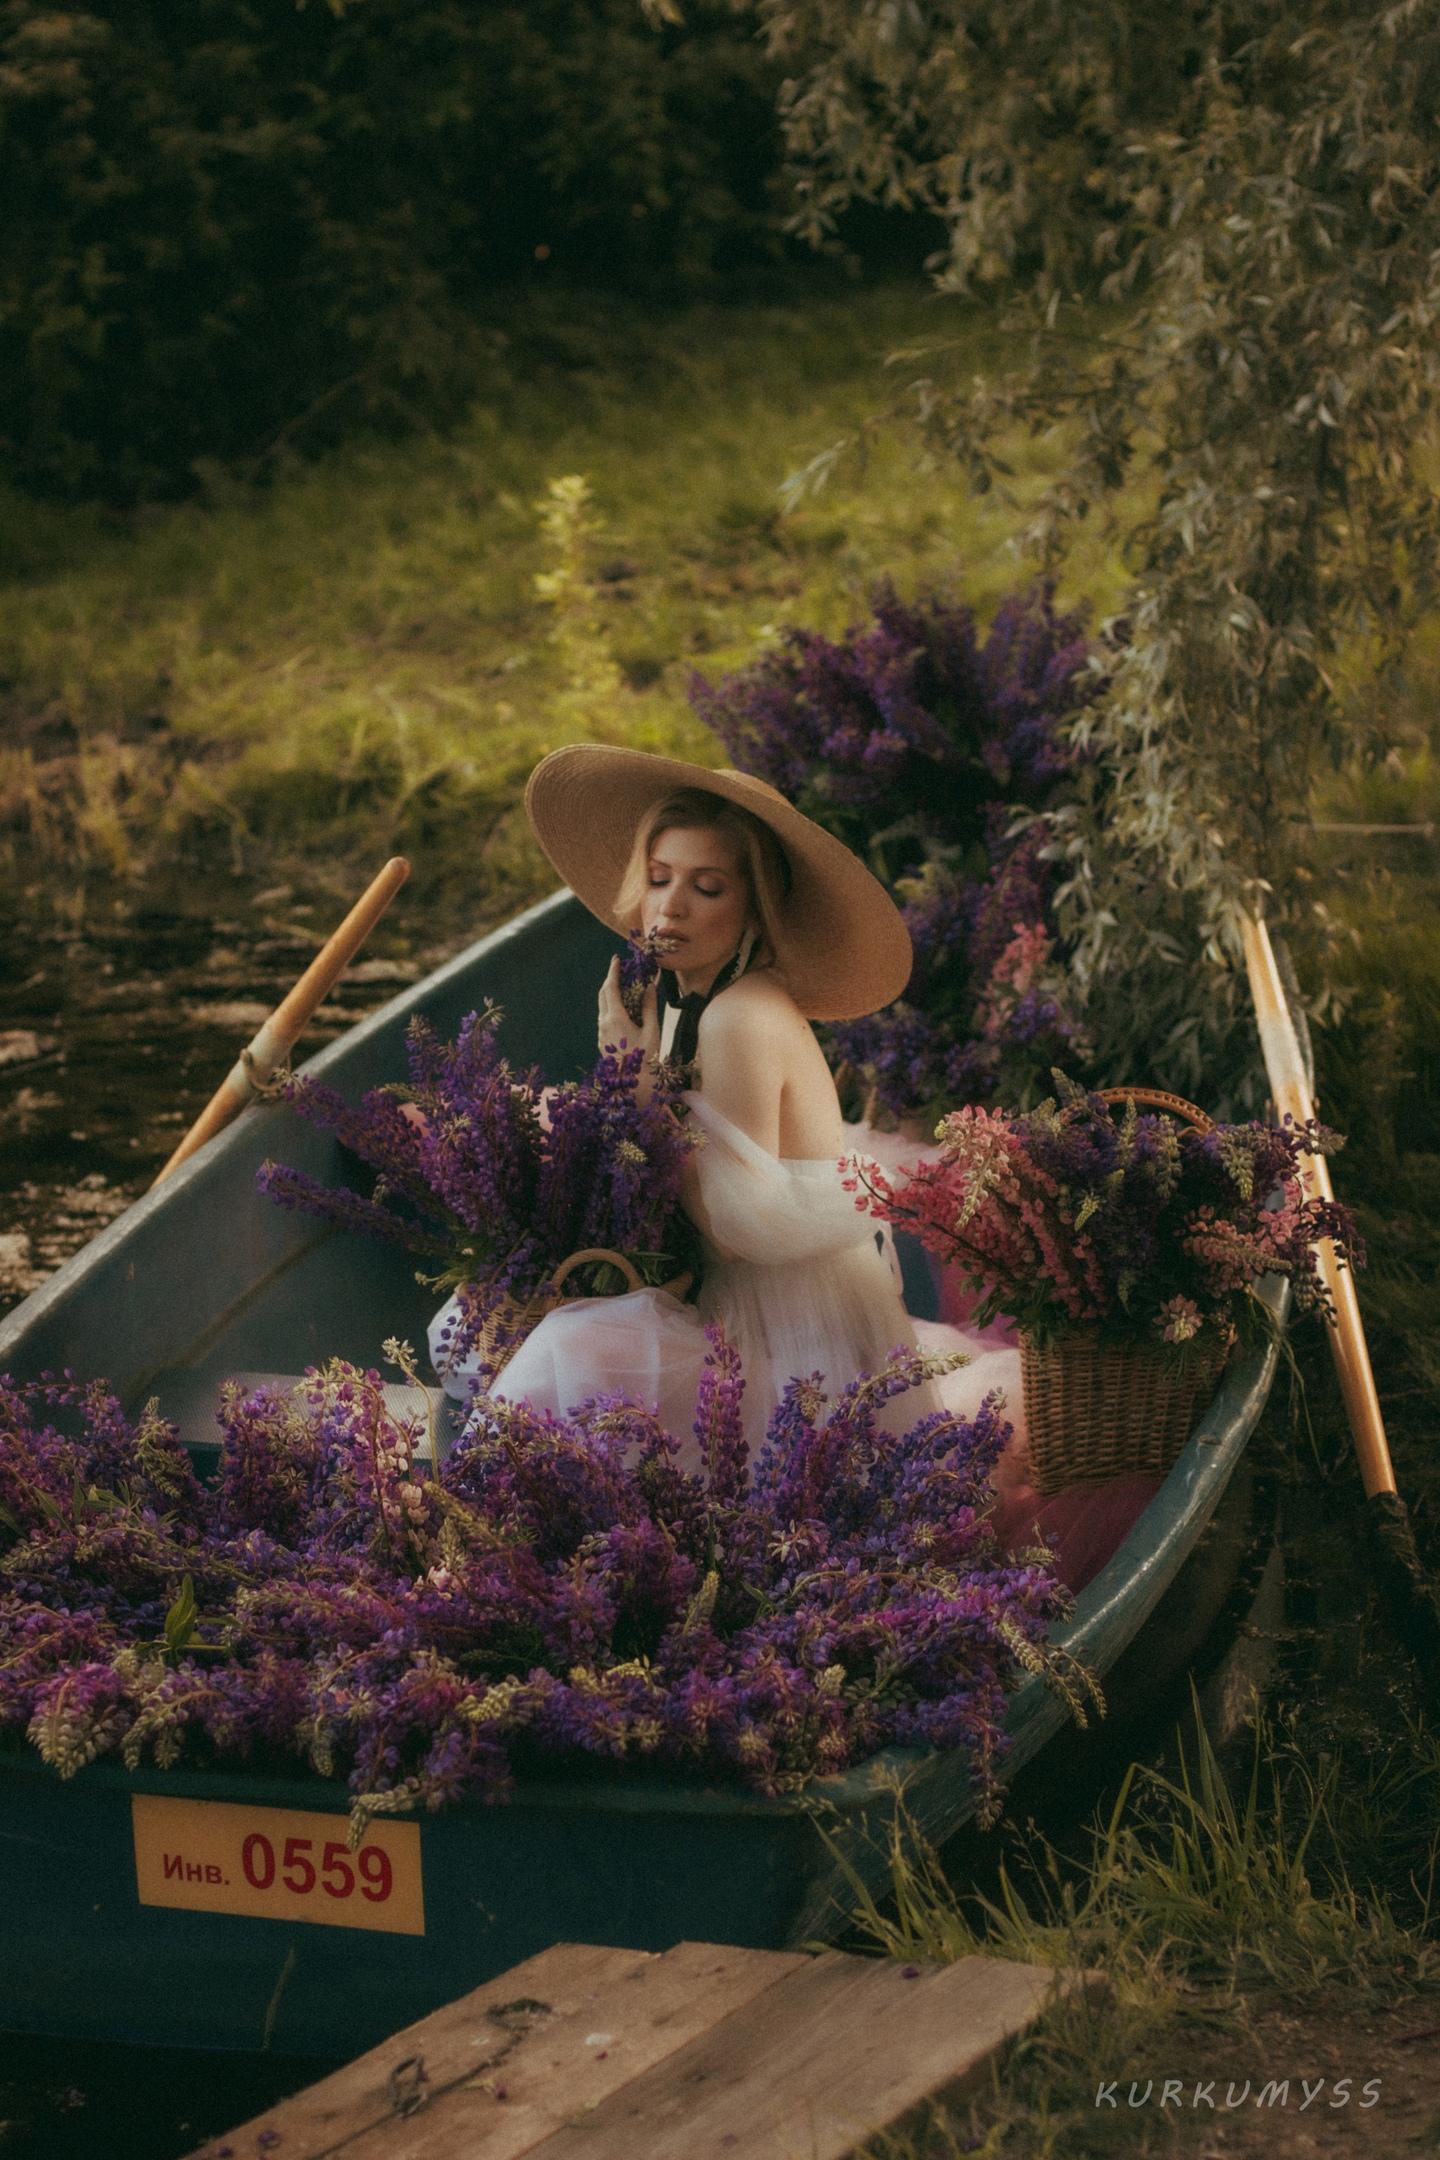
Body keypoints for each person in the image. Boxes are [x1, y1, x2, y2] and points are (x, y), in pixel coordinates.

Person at [429, 744, 1156, 1589]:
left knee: (570, 1350)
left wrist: (637, 1084)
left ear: (754, 909)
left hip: (790, 1334)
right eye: (660, 878)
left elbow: (738, 1229)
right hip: (739, 1306)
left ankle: (478, 1564)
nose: (672, 906)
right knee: (500, 1322)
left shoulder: (740, 1015)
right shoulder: (683, 998)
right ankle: (515, 1562)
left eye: (709, 887)